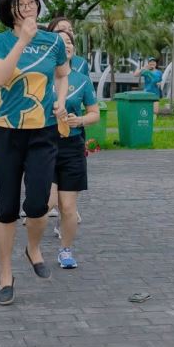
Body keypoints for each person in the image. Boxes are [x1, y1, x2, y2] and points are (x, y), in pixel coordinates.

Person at [0, 0, 69, 305]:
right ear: (8, 10)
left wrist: (60, 100)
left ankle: (33, 248)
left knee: (38, 205)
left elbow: (62, 74)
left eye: (31, 1)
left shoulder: (53, 41)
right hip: (7, 133)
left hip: (43, 132)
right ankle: (5, 275)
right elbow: (0, 77)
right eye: (20, 4)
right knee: (7, 208)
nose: (28, 7)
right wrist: (22, 41)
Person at [52, 29, 100, 269]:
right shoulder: (41, 78)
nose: (66, 45)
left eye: (69, 42)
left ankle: (65, 251)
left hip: (72, 147)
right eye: (61, 42)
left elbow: (94, 113)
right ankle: (33, 247)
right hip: (44, 146)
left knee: (69, 207)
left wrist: (79, 120)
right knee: (45, 203)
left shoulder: (81, 80)